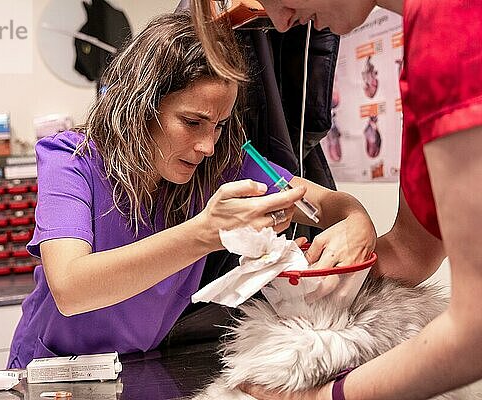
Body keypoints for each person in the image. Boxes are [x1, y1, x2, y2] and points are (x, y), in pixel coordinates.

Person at [7, 12, 377, 369]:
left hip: (136, 367)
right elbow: (72, 289)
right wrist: (205, 233)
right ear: (140, 105)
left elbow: (325, 204)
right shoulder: (70, 159)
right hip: (52, 369)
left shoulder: (217, 167)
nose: (208, 146)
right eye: (192, 122)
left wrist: (357, 219)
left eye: (218, 126)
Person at [191, 0, 482, 399]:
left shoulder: (453, 30)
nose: (278, 21)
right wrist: (311, 275)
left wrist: (320, 396)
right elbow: (411, 253)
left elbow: (474, 330)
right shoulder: (424, 43)